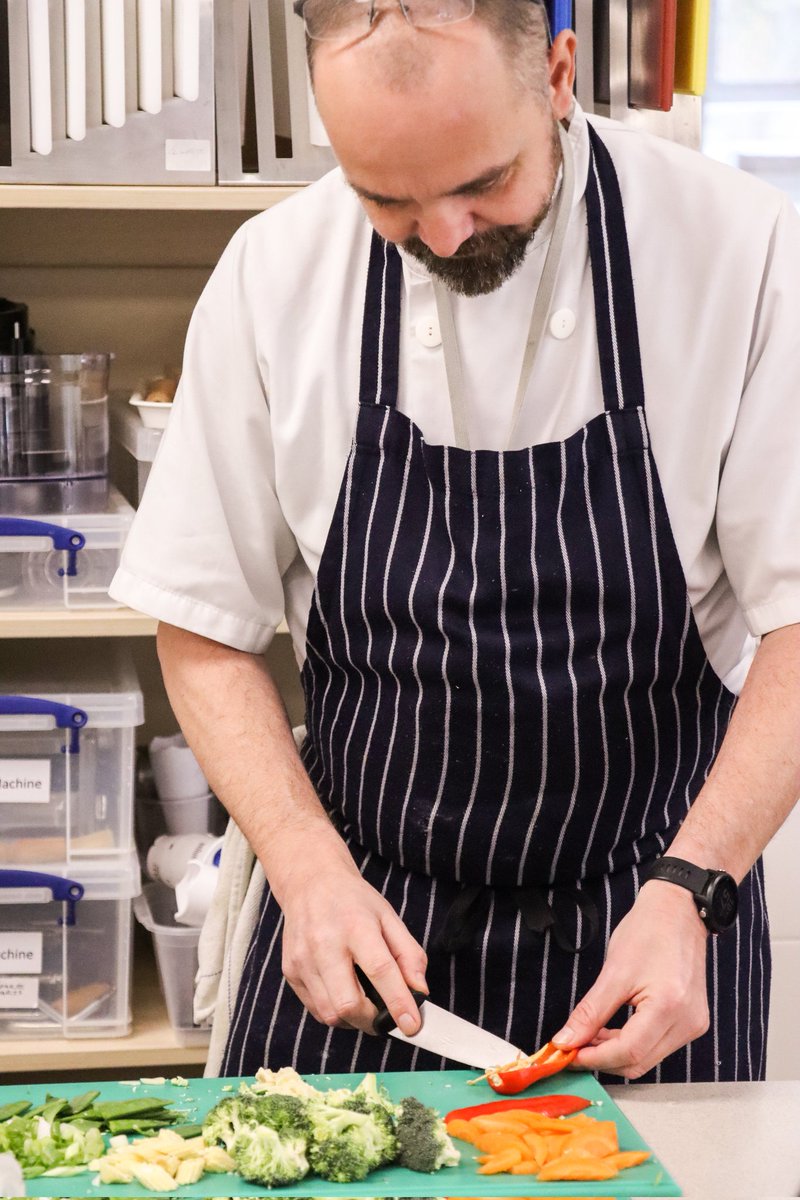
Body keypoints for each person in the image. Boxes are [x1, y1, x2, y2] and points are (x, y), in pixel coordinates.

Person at [110, 0, 800, 1084]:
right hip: (358, 929)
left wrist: (693, 889)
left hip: (649, 924)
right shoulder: (273, 274)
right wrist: (302, 864)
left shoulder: (740, 253)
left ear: (558, 76)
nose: (441, 236)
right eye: (385, 199)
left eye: (483, 183)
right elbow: (203, 626)